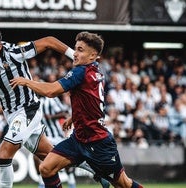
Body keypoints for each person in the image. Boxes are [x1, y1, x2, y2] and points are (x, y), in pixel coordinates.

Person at [10, 31, 144, 188]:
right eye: (75, 49)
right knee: (46, 168)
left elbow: (51, 91)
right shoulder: (96, 69)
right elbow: (92, 100)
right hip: (78, 139)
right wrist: (74, 117)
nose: (74, 53)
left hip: (98, 142)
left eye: (80, 50)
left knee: (123, 184)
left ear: (93, 55)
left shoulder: (80, 71)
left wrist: (27, 82)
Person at [0, 25, 76, 188]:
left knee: (3, 155)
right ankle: (98, 169)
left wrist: (74, 56)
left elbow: (49, 41)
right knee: (52, 156)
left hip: (28, 109)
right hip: (11, 115)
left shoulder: (13, 53)